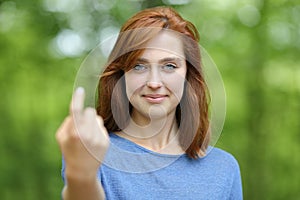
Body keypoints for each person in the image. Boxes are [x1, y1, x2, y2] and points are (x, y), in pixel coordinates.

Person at [56, 6, 243, 200]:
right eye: (139, 66)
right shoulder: (93, 152)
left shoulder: (224, 168)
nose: (154, 82)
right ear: (122, 75)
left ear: (188, 75)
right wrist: (81, 177)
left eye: (169, 66)